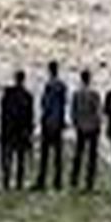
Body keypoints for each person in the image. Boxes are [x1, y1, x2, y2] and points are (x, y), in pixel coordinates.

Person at [34, 61, 67, 192]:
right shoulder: (62, 86)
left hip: (48, 122)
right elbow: (64, 104)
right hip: (58, 121)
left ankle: (42, 179)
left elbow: (45, 104)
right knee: (57, 154)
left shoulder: (48, 85)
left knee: (45, 154)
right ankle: (57, 180)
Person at [0, 70, 34, 191]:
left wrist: (2, 130)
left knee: (8, 157)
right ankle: (19, 183)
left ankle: (6, 181)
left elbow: (3, 114)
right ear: (23, 80)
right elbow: (30, 116)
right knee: (20, 158)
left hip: (9, 129)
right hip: (21, 131)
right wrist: (29, 132)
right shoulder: (27, 96)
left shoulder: (8, 94)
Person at [70, 69, 102, 192]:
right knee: (91, 156)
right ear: (89, 79)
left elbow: (73, 110)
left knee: (79, 154)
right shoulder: (94, 93)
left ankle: (74, 178)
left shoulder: (77, 94)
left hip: (81, 126)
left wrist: (76, 122)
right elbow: (97, 110)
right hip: (92, 126)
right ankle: (89, 181)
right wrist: (98, 124)